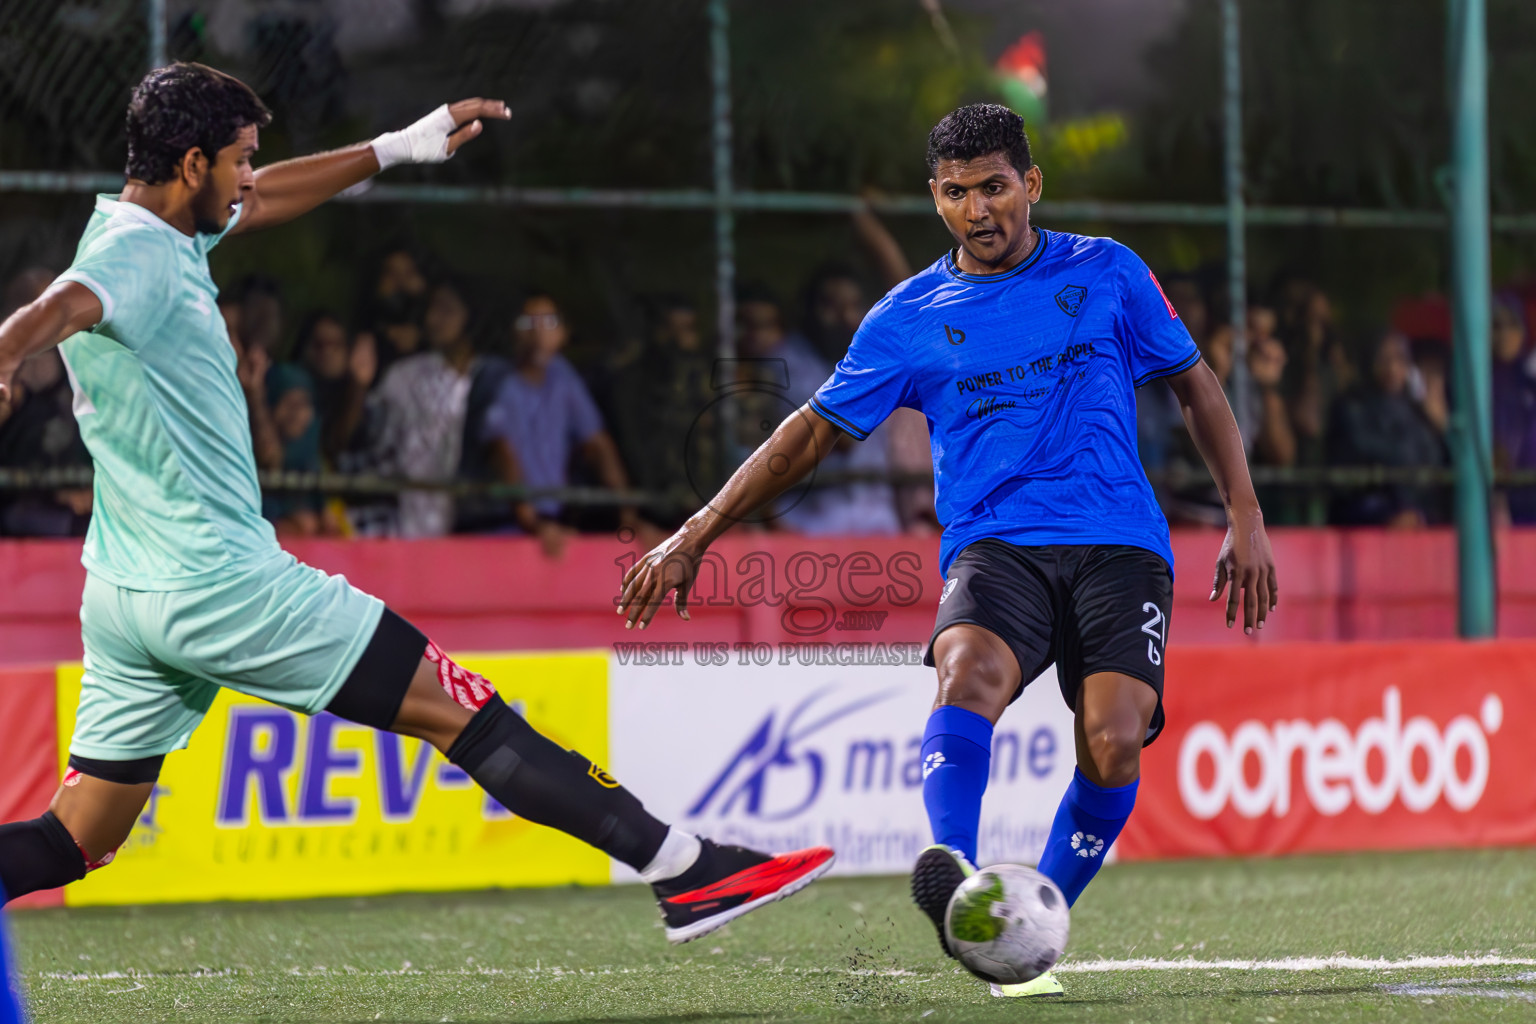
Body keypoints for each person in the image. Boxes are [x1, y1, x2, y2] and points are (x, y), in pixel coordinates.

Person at [0, 62, 831, 949]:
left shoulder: (151, 227)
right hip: (221, 585)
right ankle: (687, 872)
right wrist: (6, 352)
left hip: (126, 591)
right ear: (194, 162)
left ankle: (688, 872)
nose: (251, 178)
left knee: (78, 837)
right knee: (459, 708)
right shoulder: (130, 256)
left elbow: (266, 201)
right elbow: (59, 306)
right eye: (242, 160)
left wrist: (395, 148)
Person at [618, 103, 1274, 997]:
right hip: (996, 545)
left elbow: (1195, 388)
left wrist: (1244, 512)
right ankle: (957, 877)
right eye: (958, 193)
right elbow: (806, 437)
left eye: (995, 187)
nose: (979, 210)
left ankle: (1032, 927)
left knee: (1115, 743)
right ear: (935, 199)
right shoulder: (907, 317)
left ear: (1031, 185)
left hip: (1118, 543)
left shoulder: (1108, 272)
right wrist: (697, 531)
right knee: (964, 674)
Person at [482, 292, 640, 554]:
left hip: (550, 520)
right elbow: (502, 453)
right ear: (514, 332)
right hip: (503, 524)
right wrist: (533, 521)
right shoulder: (499, 381)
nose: (538, 333)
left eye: (548, 323)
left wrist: (627, 512)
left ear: (563, 333)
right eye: (528, 323)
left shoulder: (562, 376)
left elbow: (597, 443)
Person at [1326, 329, 1446, 527]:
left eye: (1400, 359)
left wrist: (1441, 425)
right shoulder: (1351, 407)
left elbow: (1434, 464)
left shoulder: (1418, 410)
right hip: (1365, 513)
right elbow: (1370, 458)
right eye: (1383, 359)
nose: (1392, 367)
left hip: (1418, 517)